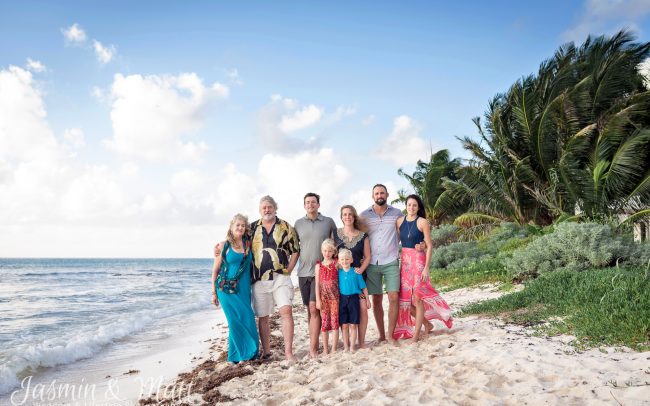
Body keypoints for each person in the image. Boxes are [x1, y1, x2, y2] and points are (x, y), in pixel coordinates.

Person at [393, 195, 453, 341]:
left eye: (414, 205)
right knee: (405, 301)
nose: (411, 208)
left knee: (418, 298)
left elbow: (430, 245)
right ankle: (427, 324)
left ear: (418, 207)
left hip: (419, 262)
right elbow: (398, 241)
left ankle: (416, 335)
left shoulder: (423, 222)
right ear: (405, 206)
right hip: (405, 262)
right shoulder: (399, 221)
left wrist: (426, 267)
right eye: (409, 205)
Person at [211, 214, 259, 362]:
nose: (240, 228)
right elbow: (215, 270)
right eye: (237, 225)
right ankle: (243, 354)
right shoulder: (223, 245)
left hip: (243, 289)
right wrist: (213, 293)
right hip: (225, 290)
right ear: (231, 227)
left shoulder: (248, 244)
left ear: (246, 229)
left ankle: (235, 356)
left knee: (247, 318)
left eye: (243, 225)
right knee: (233, 321)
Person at [360, 184, 404, 345]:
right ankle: (381, 335)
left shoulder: (397, 213)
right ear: (373, 196)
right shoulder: (364, 215)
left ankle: (391, 335)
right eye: (377, 193)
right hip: (371, 262)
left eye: (382, 193)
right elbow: (358, 237)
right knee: (377, 299)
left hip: (391, 260)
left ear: (387, 194)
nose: (380, 195)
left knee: (393, 296)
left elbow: (404, 232)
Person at [293, 192, 336, 358]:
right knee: (310, 311)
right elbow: (292, 248)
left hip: (323, 272)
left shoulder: (328, 222)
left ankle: (313, 349)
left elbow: (336, 243)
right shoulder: (297, 224)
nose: (310, 204)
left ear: (318, 204)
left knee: (314, 307)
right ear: (304, 205)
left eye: (313, 202)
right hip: (303, 272)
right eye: (307, 202)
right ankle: (315, 341)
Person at [334, 205, 371, 348]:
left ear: (354, 216)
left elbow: (367, 257)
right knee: (344, 315)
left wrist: (360, 270)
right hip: (342, 278)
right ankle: (347, 344)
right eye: (344, 214)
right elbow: (332, 253)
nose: (347, 216)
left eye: (350, 214)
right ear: (341, 217)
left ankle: (361, 343)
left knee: (362, 310)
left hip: (357, 277)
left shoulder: (363, 236)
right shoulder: (335, 233)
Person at [337, 248, 371, 352]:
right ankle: (346, 346)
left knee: (353, 325)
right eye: (342, 259)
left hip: (354, 300)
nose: (344, 261)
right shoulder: (338, 273)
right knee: (344, 325)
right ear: (339, 261)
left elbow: (364, 287)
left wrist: (368, 300)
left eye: (347, 259)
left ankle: (352, 347)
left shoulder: (356, 272)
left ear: (351, 260)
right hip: (342, 300)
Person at [314, 239, 339, 355]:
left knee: (334, 322)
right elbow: (317, 284)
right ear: (321, 251)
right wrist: (318, 300)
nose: (327, 253)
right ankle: (325, 349)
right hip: (323, 298)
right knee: (324, 323)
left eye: (329, 251)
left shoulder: (336, 263)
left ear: (333, 252)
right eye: (325, 251)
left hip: (335, 298)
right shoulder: (318, 266)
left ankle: (333, 348)